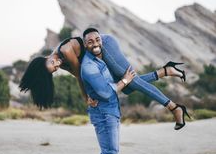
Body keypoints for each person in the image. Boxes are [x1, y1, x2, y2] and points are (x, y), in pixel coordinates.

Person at [19, 28, 190, 130]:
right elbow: (83, 76)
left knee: (132, 81)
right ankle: (166, 71)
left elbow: (81, 76)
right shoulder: (61, 61)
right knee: (128, 87)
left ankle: (174, 107)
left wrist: (86, 98)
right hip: (96, 56)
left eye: (52, 63)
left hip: (105, 46)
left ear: (44, 59)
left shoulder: (64, 51)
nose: (57, 65)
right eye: (54, 69)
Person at [81, 29, 136, 154]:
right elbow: (105, 93)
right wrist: (126, 81)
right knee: (109, 152)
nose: (95, 43)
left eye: (97, 39)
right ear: (85, 45)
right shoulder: (88, 65)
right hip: (104, 113)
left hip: (109, 111)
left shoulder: (101, 59)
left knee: (109, 151)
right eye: (90, 41)